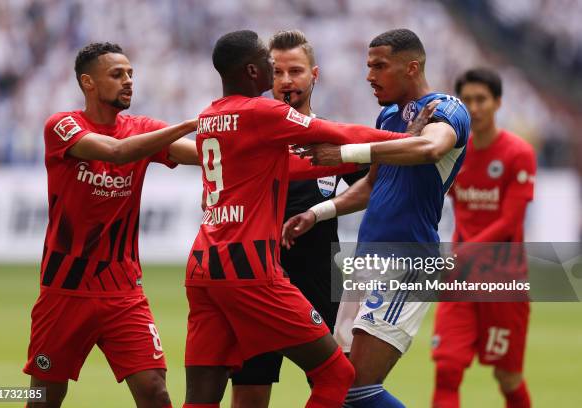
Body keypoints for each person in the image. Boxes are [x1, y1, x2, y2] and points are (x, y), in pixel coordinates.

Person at [183, 29, 433, 408]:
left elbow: (290, 166)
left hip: (206, 264)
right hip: (253, 270)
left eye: (293, 70)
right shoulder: (265, 113)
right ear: (253, 71)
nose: (280, 76)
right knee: (336, 375)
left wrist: (334, 183)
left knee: (202, 396)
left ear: (313, 75)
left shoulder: (209, 117)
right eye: (272, 66)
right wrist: (402, 140)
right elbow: (342, 133)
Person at [283, 28, 471, 407]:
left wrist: (347, 153)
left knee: (358, 389)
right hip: (366, 260)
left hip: (407, 262)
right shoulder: (388, 117)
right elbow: (371, 185)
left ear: (412, 67)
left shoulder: (448, 109)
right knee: (338, 386)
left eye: (379, 66)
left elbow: (432, 148)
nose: (369, 76)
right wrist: (318, 213)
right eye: (368, 66)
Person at [23, 42, 198, 408]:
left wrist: (241, 143)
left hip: (123, 289)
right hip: (64, 289)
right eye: (117, 75)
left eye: (131, 74)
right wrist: (191, 123)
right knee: (44, 398)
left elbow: (199, 155)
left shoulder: (142, 128)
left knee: (154, 389)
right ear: (88, 82)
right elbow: (116, 151)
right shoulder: (62, 126)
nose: (128, 81)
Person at [229, 29, 367, 408]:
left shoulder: (333, 139)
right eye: (277, 72)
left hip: (319, 276)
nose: (286, 81)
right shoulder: (247, 134)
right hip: (257, 277)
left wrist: (321, 211)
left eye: (295, 71)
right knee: (250, 394)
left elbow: (372, 186)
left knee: (339, 386)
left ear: (314, 75)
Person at [431, 68, 535, 408]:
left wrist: (463, 253)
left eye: (482, 100)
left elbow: (509, 222)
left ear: (498, 103)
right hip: (461, 281)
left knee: (507, 377)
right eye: (468, 101)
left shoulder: (518, 153)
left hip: (504, 282)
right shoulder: (455, 153)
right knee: (446, 369)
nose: (474, 108)